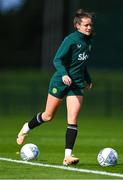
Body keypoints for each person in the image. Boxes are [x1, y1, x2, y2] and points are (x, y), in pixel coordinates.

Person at [16, 8, 94, 166]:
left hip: (76, 84)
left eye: (90, 25)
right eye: (86, 25)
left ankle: (67, 156)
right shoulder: (70, 40)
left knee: (72, 120)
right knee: (48, 116)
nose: (89, 27)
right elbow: (57, 60)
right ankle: (26, 128)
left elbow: (82, 64)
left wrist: (88, 79)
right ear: (77, 26)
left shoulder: (88, 42)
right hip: (60, 81)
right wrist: (64, 74)